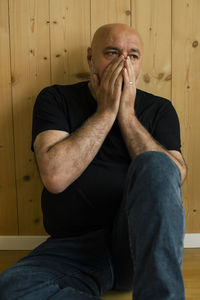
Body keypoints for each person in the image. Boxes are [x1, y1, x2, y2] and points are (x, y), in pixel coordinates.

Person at [0, 23, 187, 300]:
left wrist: (126, 115)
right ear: (91, 58)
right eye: (112, 53)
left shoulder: (159, 109)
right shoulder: (56, 98)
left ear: (140, 64)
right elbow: (54, 176)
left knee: (159, 164)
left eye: (133, 56)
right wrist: (106, 112)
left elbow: (175, 176)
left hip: (137, 246)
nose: (124, 63)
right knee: (12, 287)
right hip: (72, 248)